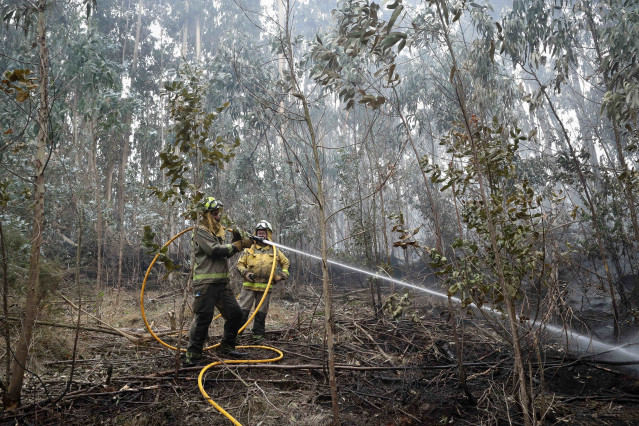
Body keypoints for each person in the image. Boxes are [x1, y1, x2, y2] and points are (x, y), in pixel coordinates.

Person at [184, 196, 253, 367]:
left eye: (218, 214)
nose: (217, 217)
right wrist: (237, 246)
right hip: (205, 283)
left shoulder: (217, 232)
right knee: (203, 318)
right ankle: (192, 356)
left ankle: (227, 347)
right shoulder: (200, 230)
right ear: (205, 214)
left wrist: (237, 242)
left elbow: (225, 252)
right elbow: (214, 251)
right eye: (214, 214)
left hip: (222, 284)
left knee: (236, 313)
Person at [236, 220, 290, 342]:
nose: (261, 235)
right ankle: (236, 335)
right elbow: (240, 264)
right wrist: (246, 273)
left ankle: (258, 336)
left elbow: (285, 262)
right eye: (259, 232)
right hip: (249, 286)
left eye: (263, 233)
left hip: (265, 287)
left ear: (268, 234)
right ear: (256, 233)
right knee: (242, 311)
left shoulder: (274, 250)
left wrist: (281, 275)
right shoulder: (250, 248)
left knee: (261, 313)